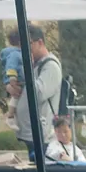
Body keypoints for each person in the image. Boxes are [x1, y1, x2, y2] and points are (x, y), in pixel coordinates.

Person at [15, 24, 62, 161]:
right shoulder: (35, 65)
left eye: (27, 44)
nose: (23, 50)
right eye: (20, 46)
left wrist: (26, 69)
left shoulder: (50, 66)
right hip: (29, 132)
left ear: (40, 42)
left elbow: (38, 93)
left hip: (41, 134)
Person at [0, 28, 24, 126]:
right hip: (16, 81)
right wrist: (12, 78)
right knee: (16, 97)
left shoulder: (18, 53)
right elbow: (11, 66)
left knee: (16, 97)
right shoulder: (15, 54)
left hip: (18, 80)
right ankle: (10, 116)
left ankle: (12, 116)